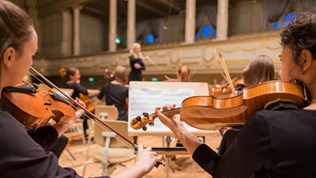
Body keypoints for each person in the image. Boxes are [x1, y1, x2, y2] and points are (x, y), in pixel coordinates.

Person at [0, 1, 160, 177]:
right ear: (9, 56)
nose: (32, 63)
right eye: (32, 54)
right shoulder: (5, 128)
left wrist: (64, 123)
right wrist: (139, 167)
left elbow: (26, 146)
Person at [155, 11, 316, 177]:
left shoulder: (268, 126)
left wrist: (180, 131)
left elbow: (221, 172)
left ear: (304, 60)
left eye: (282, 61)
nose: (280, 74)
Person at [218, 54, 275, 155]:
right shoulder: (274, 96)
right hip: (264, 151)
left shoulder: (240, 93)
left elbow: (226, 120)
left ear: (250, 72)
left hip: (236, 150)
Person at [63, 67, 100, 137]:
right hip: (75, 110)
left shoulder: (66, 84)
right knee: (95, 112)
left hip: (70, 109)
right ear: (71, 76)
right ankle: (97, 134)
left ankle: (85, 133)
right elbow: (87, 92)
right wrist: (99, 91)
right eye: (77, 75)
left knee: (86, 111)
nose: (79, 76)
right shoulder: (74, 85)